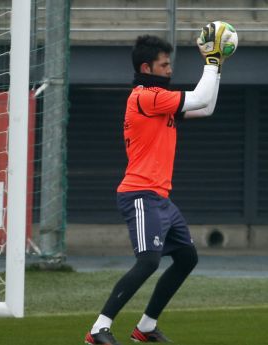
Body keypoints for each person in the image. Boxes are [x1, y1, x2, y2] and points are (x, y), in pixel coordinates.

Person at [85, 24, 229, 345]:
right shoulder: (145, 96)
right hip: (140, 193)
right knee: (149, 260)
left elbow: (206, 107)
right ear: (146, 68)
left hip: (160, 198)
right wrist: (213, 61)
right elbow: (200, 97)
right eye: (164, 65)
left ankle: (146, 327)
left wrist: (216, 67)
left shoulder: (157, 99)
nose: (170, 69)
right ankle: (98, 328)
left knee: (187, 258)